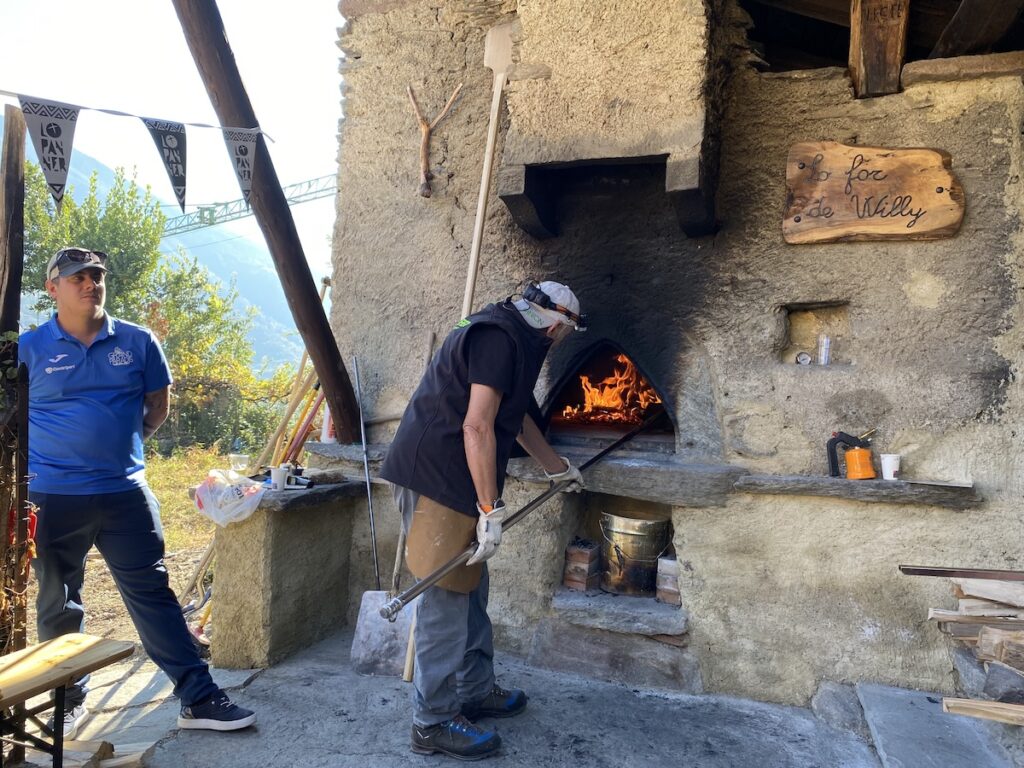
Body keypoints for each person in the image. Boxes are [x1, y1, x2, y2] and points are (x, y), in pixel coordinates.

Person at [18, 247, 256, 737]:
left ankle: (199, 698)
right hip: (52, 496)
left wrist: (119, 451)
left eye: (97, 276)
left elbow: (158, 406)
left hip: (125, 494)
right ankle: (69, 696)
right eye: (77, 277)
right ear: (53, 289)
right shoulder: (30, 347)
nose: (90, 284)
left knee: (153, 593)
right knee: (58, 600)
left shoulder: (137, 341)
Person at [380, 280, 587, 761]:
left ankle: (474, 690)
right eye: (564, 333)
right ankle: (431, 722)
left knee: (472, 589)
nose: (560, 341)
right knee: (446, 601)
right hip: (437, 478)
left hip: (456, 478)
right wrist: (491, 508)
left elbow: (516, 418)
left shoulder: (511, 333)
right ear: (556, 325)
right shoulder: (498, 337)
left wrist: (556, 468)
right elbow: (476, 426)